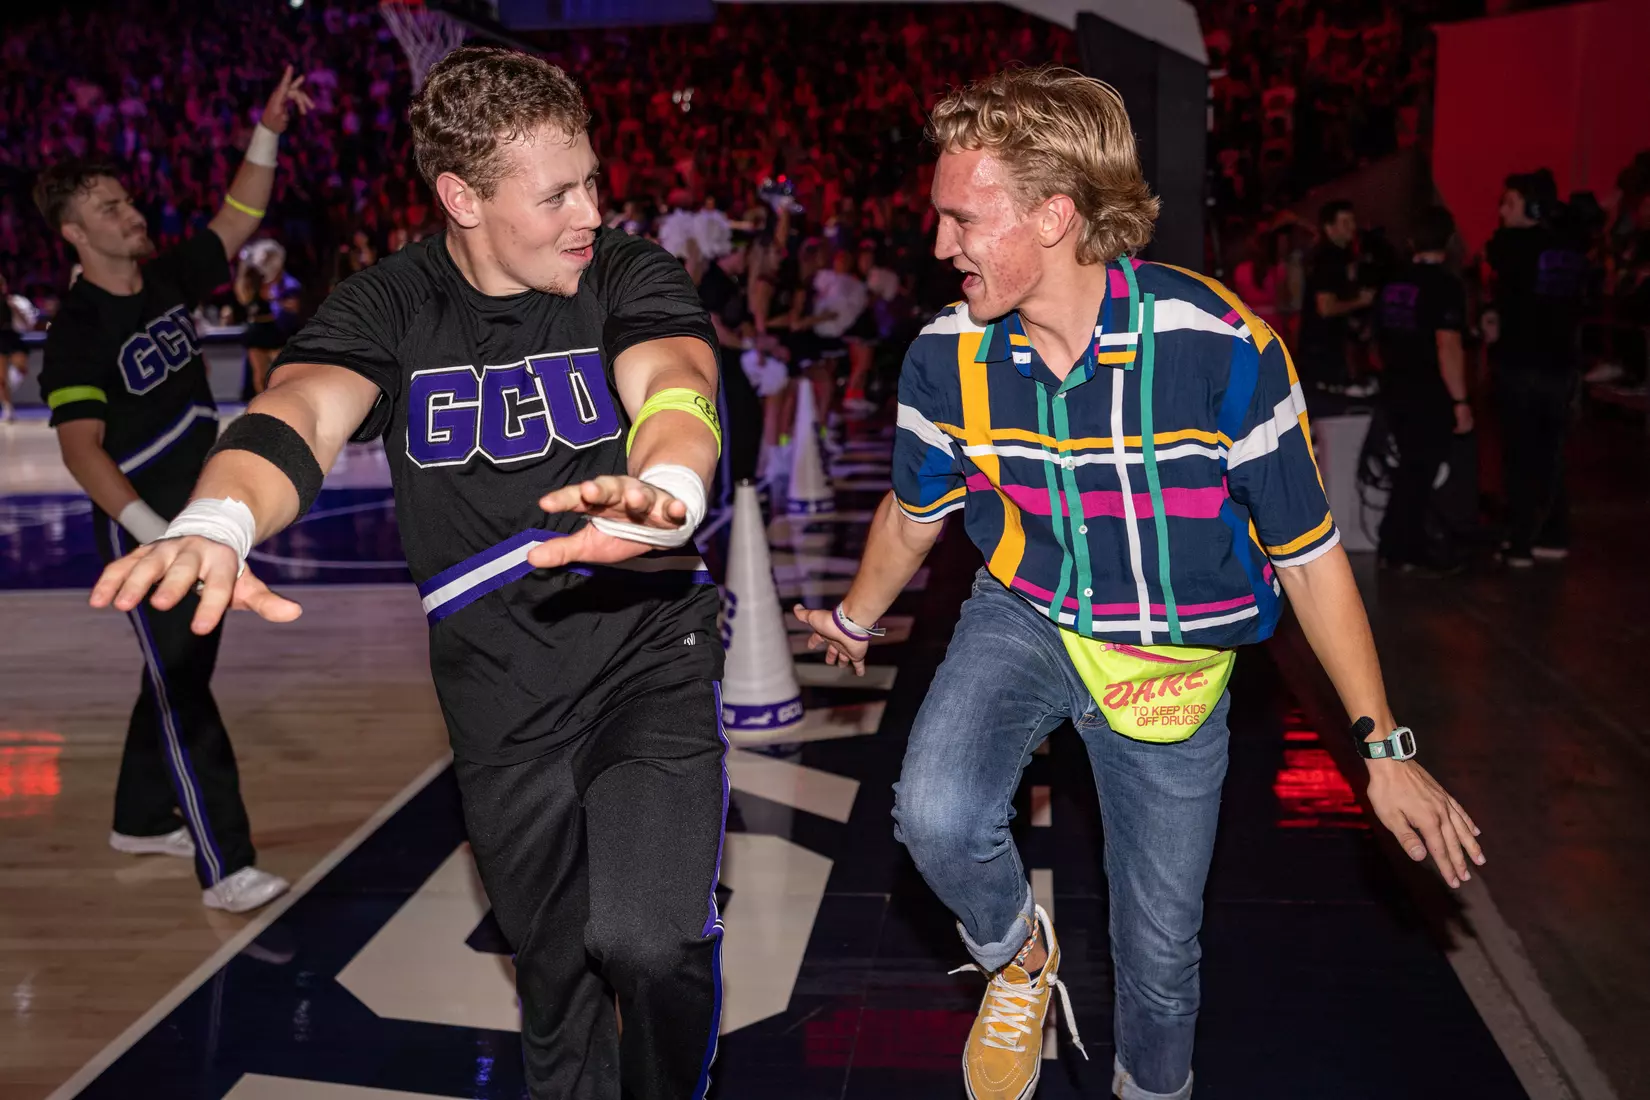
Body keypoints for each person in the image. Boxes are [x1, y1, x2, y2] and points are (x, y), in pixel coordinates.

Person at [794, 67, 1485, 1100]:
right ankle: (1019, 958)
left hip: (1173, 654)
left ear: (1057, 214)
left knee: (1160, 956)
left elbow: (1307, 553)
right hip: (1028, 609)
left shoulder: (1220, 349)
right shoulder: (948, 358)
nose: (940, 247)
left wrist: (1381, 746)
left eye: (963, 219)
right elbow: (915, 510)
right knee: (934, 809)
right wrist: (854, 615)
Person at [90, 48, 727, 1100]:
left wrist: (668, 485)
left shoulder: (626, 270)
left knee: (649, 941)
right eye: (559, 191)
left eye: (593, 180)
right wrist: (218, 516)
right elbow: (297, 410)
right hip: (495, 691)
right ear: (462, 197)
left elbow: (675, 379)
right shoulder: (389, 306)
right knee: (555, 978)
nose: (591, 209)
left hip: (644, 649)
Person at [33, 67, 312, 913]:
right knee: (185, 685)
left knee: (173, 670)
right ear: (74, 232)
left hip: (198, 512)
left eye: (127, 201)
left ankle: (137, 815)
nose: (132, 214)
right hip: (147, 530)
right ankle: (225, 865)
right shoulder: (75, 332)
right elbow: (83, 454)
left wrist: (266, 130)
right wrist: (158, 533)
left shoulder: (166, 277)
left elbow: (240, 216)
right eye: (111, 209)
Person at [1484, 171, 1588, 567]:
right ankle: (1553, 533)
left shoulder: (1510, 244)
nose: (1500, 211)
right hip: (1561, 366)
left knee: (1519, 455)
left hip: (1521, 364)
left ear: (1532, 207)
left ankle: (1520, 542)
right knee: (1553, 453)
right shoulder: (1570, 245)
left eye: (1508, 203)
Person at [1372, 206, 1472, 574]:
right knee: (1420, 468)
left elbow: (1377, 339)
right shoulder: (1445, 286)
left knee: (1410, 469)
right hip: (1428, 391)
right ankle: (1403, 547)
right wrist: (1460, 400)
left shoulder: (1393, 282)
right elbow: (1448, 346)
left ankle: (1397, 544)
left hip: (1396, 385)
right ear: (1447, 241)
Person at [1299, 199, 1376, 396]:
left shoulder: (1338, 256)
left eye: (1352, 221)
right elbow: (1325, 307)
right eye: (1345, 222)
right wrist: (1360, 301)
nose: (1352, 227)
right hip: (1323, 348)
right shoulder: (1329, 259)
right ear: (1329, 228)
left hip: (1325, 345)